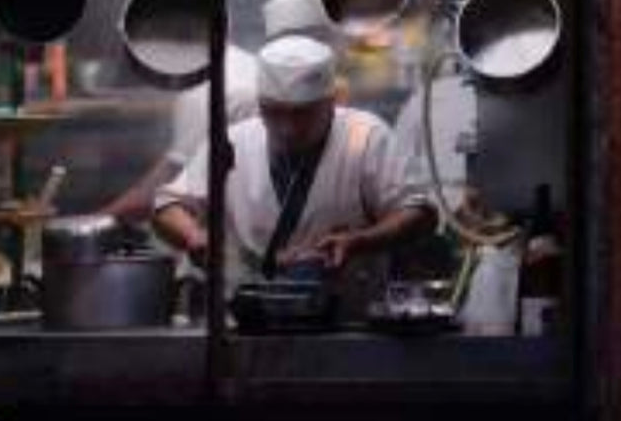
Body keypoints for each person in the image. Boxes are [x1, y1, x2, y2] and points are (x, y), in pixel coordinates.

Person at [152, 34, 437, 291]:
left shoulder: (366, 137)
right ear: (260, 102)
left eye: (302, 114)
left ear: (331, 101)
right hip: (247, 318)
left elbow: (418, 212)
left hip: (347, 321)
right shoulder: (234, 141)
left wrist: (362, 240)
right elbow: (167, 205)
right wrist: (195, 236)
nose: (287, 128)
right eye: (274, 112)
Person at [99, 0, 335, 223]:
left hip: (244, 229)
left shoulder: (207, 90)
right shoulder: (243, 64)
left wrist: (99, 219)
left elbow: (167, 188)